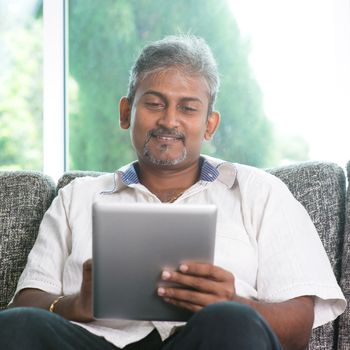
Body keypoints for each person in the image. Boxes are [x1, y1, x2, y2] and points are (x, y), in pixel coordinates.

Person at [0, 35, 346, 350]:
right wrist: (77, 304)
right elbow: (26, 304)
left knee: (232, 321)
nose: (169, 120)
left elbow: (299, 326)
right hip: (97, 343)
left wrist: (236, 303)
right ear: (126, 113)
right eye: (154, 104)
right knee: (14, 326)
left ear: (209, 124)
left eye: (188, 108)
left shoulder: (261, 193)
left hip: (207, 341)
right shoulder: (76, 197)